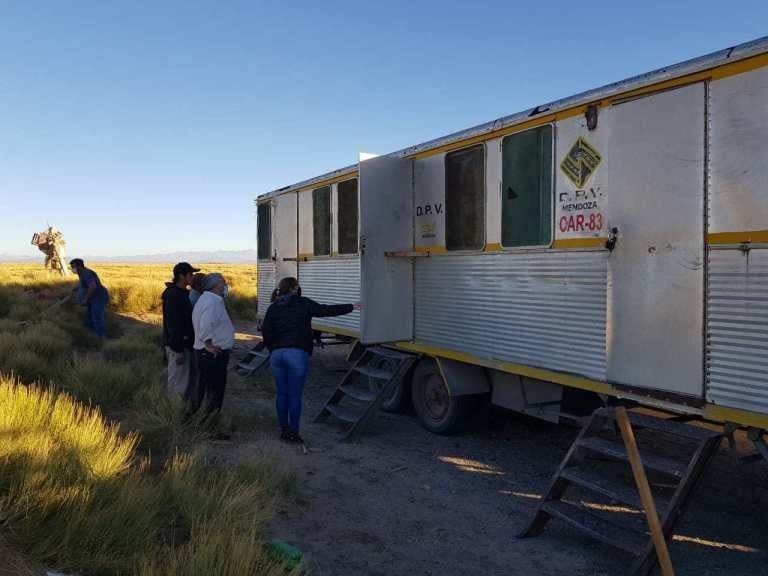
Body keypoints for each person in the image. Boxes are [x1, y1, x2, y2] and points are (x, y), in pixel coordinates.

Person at [261, 276, 357, 443]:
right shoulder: (303, 303)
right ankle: (294, 433)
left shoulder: (273, 307)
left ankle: (283, 430)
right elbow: (325, 310)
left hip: (277, 355)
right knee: (295, 395)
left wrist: (274, 349)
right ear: (294, 288)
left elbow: (266, 333)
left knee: (282, 394)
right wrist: (351, 307)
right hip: (297, 354)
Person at [191, 273, 235, 416]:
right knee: (214, 391)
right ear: (216, 285)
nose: (225, 286)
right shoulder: (212, 302)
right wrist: (209, 345)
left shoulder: (207, 299)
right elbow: (205, 325)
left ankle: (203, 422)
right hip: (211, 354)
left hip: (207, 353)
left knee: (206, 389)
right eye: (223, 283)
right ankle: (209, 425)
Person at [161, 262, 199, 399]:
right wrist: (178, 350)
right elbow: (174, 324)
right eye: (190, 274)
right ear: (181, 276)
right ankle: (172, 413)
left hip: (184, 345)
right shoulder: (173, 296)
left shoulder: (182, 293)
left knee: (184, 382)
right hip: (178, 347)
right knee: (178, 383)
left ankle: (179, 411)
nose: (192, 277)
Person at [69, 258, 109, 338]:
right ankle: (93, 335)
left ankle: (101, 338)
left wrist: (85, 300)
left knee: (97, 318)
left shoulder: (86, 273)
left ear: (79, 266)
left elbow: (92, 287)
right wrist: (77, 288)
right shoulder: (82, 274)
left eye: (73, 267)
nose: (72, 269)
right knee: (89, 317)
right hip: (93, 298)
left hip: (98, 297)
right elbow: (85, 285)